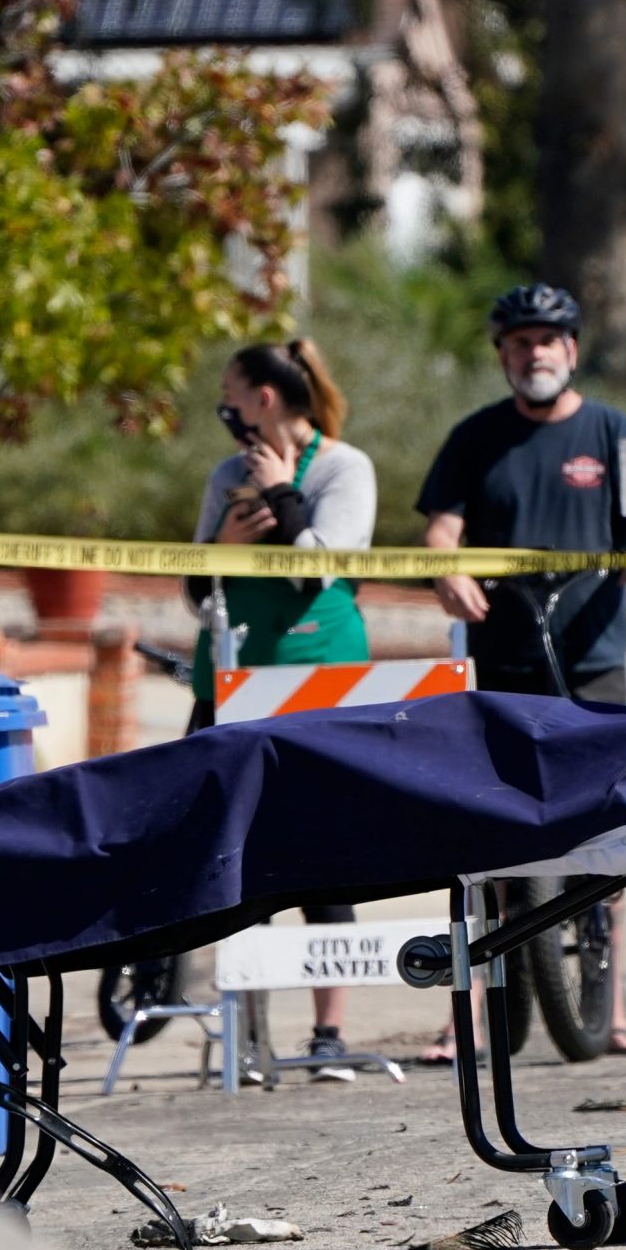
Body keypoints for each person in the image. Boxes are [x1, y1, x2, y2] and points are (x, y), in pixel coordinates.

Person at [415, 282, 626, 1057]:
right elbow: (440, 527)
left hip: (592, 661)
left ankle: (614, 1008)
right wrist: (446, 571)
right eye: (520, 341)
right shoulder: (476, 437)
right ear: (502, 355)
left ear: (573, 349)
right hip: (501, 662)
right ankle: (466, 1014)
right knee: (489, 835)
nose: (535, 353)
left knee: (608, 831)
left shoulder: (612, 430)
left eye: (549, 340)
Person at [188, 338, 376, 1073]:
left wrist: (280, 494)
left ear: (265, 397)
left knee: (322, 854)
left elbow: (320, 566)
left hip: (316, 678)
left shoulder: (342, 466)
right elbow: (197, 587)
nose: (223, 405)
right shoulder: (223, 474)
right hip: (230, 678)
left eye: (231, 390)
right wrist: (228, 541)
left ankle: (328, 1030)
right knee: (224, 849)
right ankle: (242, 1026)